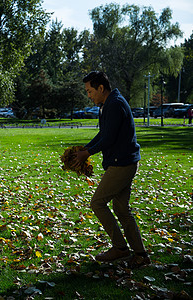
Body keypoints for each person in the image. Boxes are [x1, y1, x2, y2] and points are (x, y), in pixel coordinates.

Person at [74, 71, 150, 268]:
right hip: (124, 162)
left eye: (90, 91)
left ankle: (120, 248)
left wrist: (87, 153)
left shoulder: (115, 104)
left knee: (98, 203)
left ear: (101, 88)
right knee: (121, 209)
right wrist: (85, 148)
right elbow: (103, 133)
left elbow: (109, 139)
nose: (88, 95)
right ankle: (140, 254)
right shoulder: (107, 104)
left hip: (122, 164)